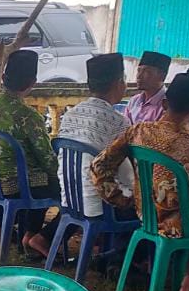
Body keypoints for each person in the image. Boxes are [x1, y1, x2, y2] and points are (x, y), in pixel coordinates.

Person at [93, 72, 189, 291]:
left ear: (165, 102)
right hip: (182, 225)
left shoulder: (137, 132)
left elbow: (99, 165)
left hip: (146, 215)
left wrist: (120, 199)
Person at [0, 49, 60, 258]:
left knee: (39, 179)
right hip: (20, 189)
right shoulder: (28, 116)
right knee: (59, 186)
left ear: (3, 77)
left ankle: (16, 231)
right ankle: (34, 235)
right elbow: (48, 161)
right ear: (32, 82)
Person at [56, 52, 132, 218]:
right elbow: (127, 174)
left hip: (69, 199)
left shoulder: (70, 114)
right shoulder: (118, 122)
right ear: (118, 83)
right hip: (100, 206)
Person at [124, 50, 171, 125]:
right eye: (138, 71)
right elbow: (125, 128)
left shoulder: (168, 105)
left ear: (162, 76)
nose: (139, 76)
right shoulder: (134, 101)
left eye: (147, 72)